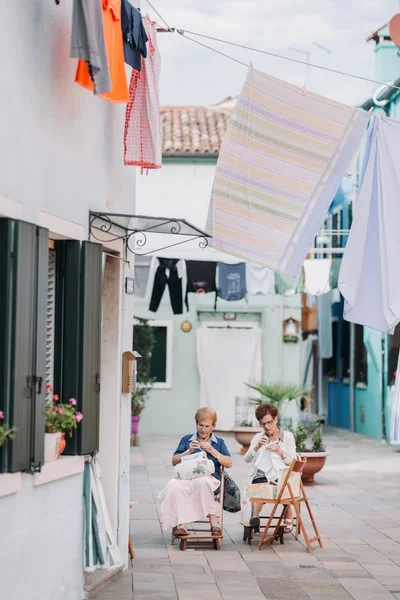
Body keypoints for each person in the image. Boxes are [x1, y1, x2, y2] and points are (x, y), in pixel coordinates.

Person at [159, 407, 232, 537]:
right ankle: (181, 524)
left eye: (207, 426)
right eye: (201, 425)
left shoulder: (219, 442)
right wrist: (188, 451)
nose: (203, 430)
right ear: (196, 424)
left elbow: (229, 463)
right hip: (187, 479)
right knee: (174, 485)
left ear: (213, 426)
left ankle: (213, 522)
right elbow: (174, 461)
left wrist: (211, 450)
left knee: (203, 482)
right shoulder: (187, 440)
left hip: (210, 479)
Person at [244, 403, 297, 534]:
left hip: (281, 475)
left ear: (276, 419)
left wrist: (280, 451)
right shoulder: (258, 437)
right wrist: (256, 447)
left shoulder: (287, 437)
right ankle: (255, 517)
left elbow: (293, 462)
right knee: (258, 488)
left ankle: (288, 513)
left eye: (269, 422)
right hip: (261, 475)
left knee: (282, 485)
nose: (267, 426)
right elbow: (247, 459)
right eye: (263, 424)